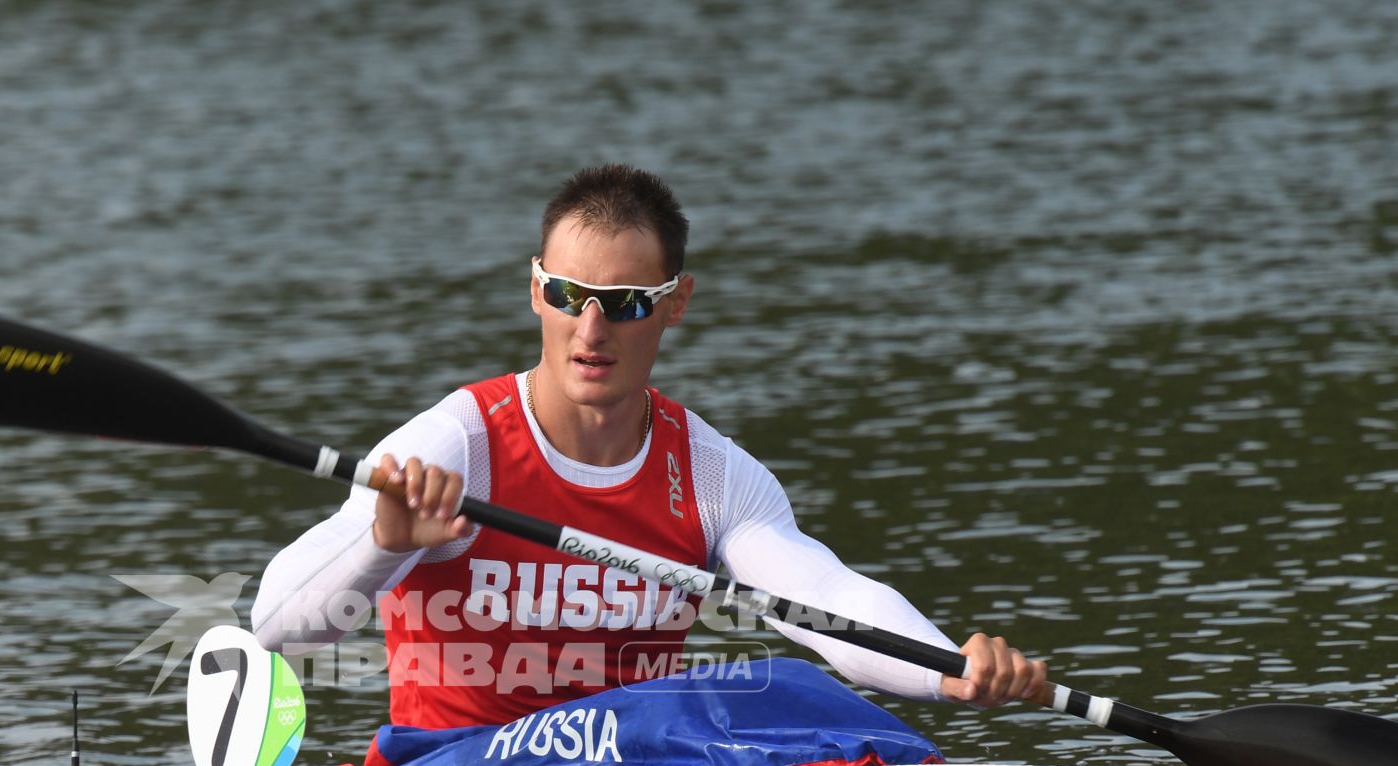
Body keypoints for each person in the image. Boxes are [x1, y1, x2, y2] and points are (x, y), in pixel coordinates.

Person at [254, 164, 1046, 728]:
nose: (591, 330)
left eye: (626, 303)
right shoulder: (456, 445)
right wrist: (385, 545)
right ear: (536, 290)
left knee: (787, 689)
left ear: (676, 305)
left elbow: (827, 604)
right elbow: (277, 626)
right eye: (569, 296)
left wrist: (949, 670)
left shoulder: (709, 474)